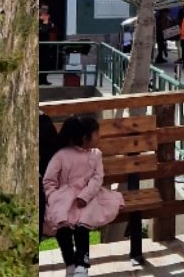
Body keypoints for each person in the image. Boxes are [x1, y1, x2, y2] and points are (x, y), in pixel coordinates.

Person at [42, 114, 123, 277]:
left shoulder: (96, 155)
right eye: (96, 133)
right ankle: (70, 263)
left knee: (82, 224)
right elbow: (49, 180)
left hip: (89, 198)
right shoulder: (61, 155)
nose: (99, 137)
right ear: (86, 138)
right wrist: (53, 197)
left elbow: (97, 178)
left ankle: (82, 264)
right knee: (61, 224)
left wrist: (85, 195)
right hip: (63, 198)